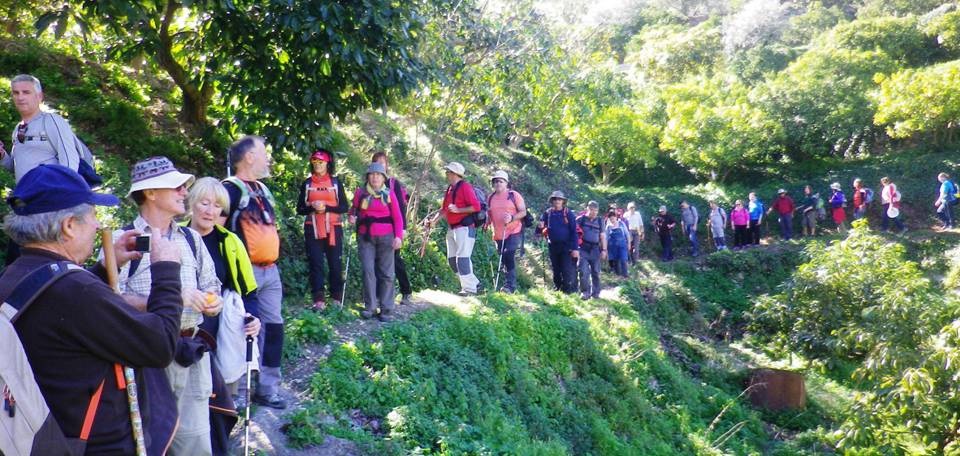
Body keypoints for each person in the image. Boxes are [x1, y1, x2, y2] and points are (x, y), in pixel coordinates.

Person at [0, 164, 181, 455]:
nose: (98, 225)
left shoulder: (13, 276)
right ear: (69, 225)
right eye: (93, 216)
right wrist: (167, 270)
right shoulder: (76, 291)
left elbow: (67, 317)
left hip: (47, 437)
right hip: (95, 446)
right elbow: (160, 344)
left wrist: (103, 268)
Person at [117, 156, 222, 456]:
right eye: (176, 186)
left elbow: (212, 285)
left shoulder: (189, 237)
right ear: (150, 193)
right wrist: (166, 299)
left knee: (196, 447)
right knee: (150, 444)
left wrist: (212, 302)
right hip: (147, 360)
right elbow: (111, 299)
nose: (185, 192)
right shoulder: (129, 240)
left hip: (191, 353)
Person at [186, 178, 263, 454]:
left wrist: (253, 318)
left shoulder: (229, 243)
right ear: (191, 204)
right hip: (187, 334)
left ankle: (219, 448)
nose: (210, 211)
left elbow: (249, 291)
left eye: (217, 206)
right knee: (190, 402)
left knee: (222, 401)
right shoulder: (177, 237)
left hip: (223, 332)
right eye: (204, 203)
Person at [222, 135, 287, 409]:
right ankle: (232, 393)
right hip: (241, 272)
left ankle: (267, 388)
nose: (267, 158)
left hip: (270, 271)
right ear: (249, 157)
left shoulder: (261, 189)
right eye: (263, 152)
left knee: (273, 329)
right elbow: (216, 229)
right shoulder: (230, 190)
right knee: (240, 329)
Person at [349, 163, 404, 320]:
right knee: (368, 271)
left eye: (378, 175)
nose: (375, 177)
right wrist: (351, 216)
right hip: (365, 236)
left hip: (387, 238)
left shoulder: (389, 194)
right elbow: (353, 209)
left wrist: (398, 236)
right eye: (372, 174)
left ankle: (386, 308)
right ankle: (370, 307)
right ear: (368, 177)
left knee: (386, 273)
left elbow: (398, 218)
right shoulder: (360, 193)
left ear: (383, 178)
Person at [1, 75, 83, 182]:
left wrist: (63, 189)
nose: (20, 97)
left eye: (26, 92)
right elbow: (16, 167)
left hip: (52, 194)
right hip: (26, 195)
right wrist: (2, 156)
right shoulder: (18, 128)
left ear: (39, 96)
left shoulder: (52, 121)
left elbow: (69, 159)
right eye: (16, 93)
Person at [296, 149, 348, 311]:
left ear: (327, 163)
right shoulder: (307, 184)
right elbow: (300, 209)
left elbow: (344, 207)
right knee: (316, 263)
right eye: (315, 162)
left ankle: (336, 298)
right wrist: (311, 206)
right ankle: (318, 299)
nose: (318, 165)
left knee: (335, 264)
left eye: (321, 162)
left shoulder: (335, 183)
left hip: (334, 228)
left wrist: (326, 207)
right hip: (313, 229)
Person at [434, 162, 482, 296]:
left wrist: (458, 210)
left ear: (455, 174)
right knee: (452, 260)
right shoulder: (450, 189)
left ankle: (469, 289)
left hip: (465, 228)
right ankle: (475, 284)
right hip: (452, 228)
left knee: (462, 259)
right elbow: (444, 209)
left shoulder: (465, 187)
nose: (446, 174)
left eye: (448, 172)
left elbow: (476, 207)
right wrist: (433, 221)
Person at [372, 151, 414, 305]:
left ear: (387, 165)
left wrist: (401, 230)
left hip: (392, 229)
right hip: (375, 230)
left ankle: (406, 291)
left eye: (383, 162)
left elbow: (401, 208)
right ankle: (379, 296)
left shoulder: (393, 184)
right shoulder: (369, 184)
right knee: (377, 261)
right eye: (377, 162)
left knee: (394, 260)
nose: (380, 165)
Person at [486, 170, 526, 293]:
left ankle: (510, 286)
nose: (498, 183)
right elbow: (489, 214)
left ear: (506, 183)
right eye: (496, 181)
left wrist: (512, 218)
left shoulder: (514, 195)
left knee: (508, 254)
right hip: (498, 233)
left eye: (501, 181)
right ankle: (507, 284)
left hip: (514, 230)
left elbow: (523, 212)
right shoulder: (491, 197)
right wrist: (485, 223)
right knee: (503, 258)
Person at [539, 191, 579, 293]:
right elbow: (540, 228)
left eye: (559, 199)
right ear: (552, 201)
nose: (557, 201)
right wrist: (539, 228)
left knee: (566, 268)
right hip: (552, 245)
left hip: (566, 246)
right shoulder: (547, 213)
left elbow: (574, 231)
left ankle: (566, 290)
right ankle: (557, 288)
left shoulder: (568, 213)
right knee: (556, 268)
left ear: (563, 201)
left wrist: (575, 248)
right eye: (555, 199)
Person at [576, 201, 605, 299]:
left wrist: (604, 250)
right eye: (592, 210)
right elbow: (574, 234)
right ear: (587, 209)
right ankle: (585, 292)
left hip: (595, 249)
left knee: (596, 271)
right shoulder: (580, 220)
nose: (594, 212)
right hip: (582, 248)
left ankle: (596, 293)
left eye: (596, 210)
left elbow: (602, 236)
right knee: (583, 271)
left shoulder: (600, 221)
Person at [604, 209, 630, 277]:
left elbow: (627, 234)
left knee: (624, 260)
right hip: (612, 247)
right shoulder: (608, 227)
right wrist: (605, 248)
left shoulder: (621, 224)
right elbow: (606, 238)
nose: (612, 220)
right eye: (611, 219)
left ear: (616, 217)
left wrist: (629, 243)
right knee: (616, 262)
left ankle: (625, 276)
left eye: (613, 218)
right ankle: (618, 276)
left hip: (622, 246)